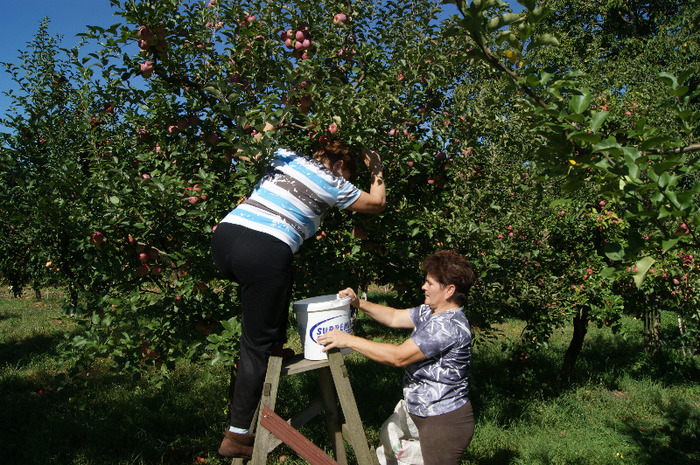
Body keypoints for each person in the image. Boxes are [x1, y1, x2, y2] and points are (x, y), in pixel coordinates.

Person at [210, 124, 386, 459]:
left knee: (279, 279)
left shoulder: (287, 158)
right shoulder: (335, 182)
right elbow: (377, 203)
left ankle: (274, 346)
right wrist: (375, 167)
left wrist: (287, 107)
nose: (347, 179)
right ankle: (236, 435)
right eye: (347, 172)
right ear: (338, 166)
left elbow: (250, 146)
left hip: (226, 237)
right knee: (253, 345)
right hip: (264, 248)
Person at [318, 250, 475, 465]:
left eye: (429, 283)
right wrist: (358, 303)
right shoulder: (431, 312)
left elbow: (398, 357)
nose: (424, 287)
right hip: (427, 413)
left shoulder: (446, 326)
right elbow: (393, 317)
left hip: (443, 422)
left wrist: (348, 340)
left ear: (449, 290)